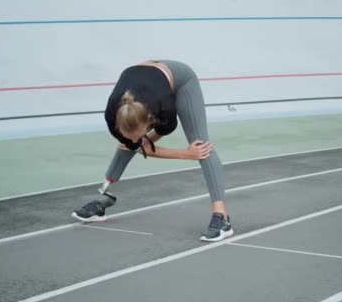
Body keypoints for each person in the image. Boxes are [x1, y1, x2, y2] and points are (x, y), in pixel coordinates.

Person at [71, 60, 233, 242]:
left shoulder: (164, 110)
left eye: (139, 134)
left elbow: (151, 142)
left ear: (149, 121)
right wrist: (184, 154)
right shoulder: (112, 115)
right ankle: (102, 198)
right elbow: (139, 147)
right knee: (127, 145)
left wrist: (191, 152)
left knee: (201, 146)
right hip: (145, 82)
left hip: (181, 79)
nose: (133, 139)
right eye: (127, 134)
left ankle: (222, 219)